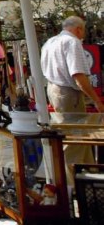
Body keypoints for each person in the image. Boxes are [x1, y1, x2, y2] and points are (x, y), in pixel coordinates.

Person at [41, 15, 104, 184]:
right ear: (78, 29)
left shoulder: (50, 42)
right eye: (83, 30)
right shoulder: (72, 42)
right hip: (68, 93)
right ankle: (68, 186)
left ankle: (89, 180)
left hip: (56, 90)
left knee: (80, 137)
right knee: (73, 140)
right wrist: (97, 100)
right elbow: (78, 76)